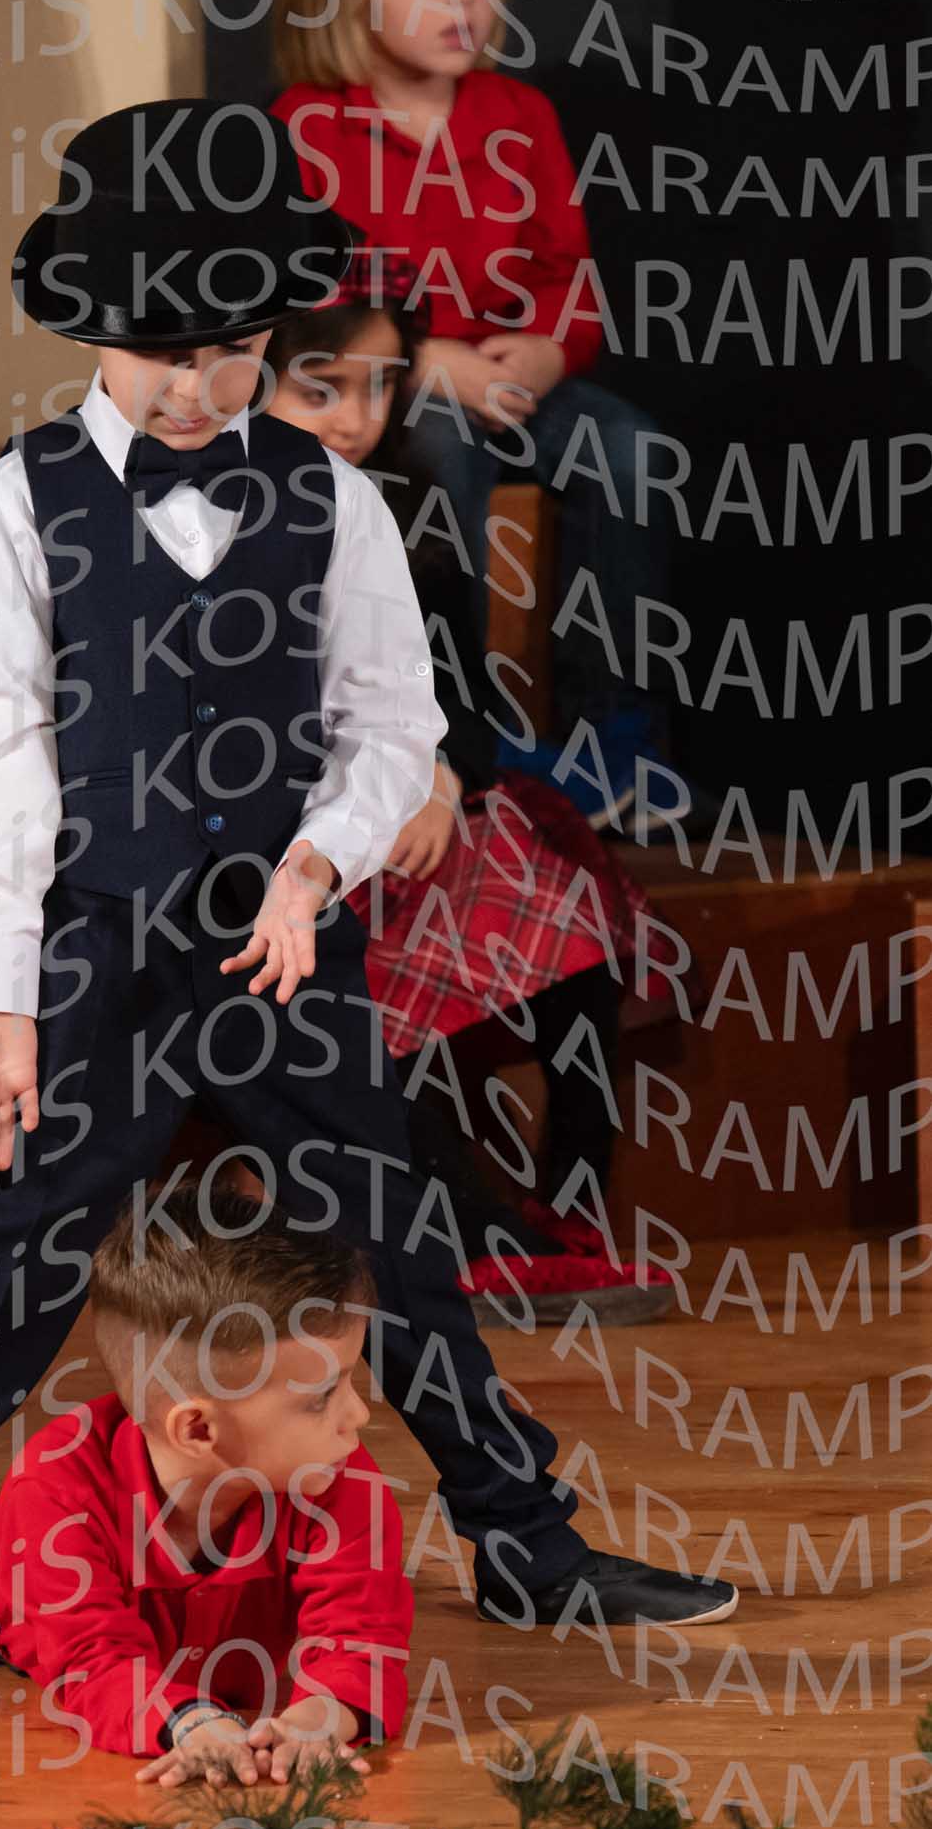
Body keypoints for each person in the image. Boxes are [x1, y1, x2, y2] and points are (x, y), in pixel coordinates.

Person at [0, 100, 736, 1698]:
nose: (197, 389)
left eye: (233, 353)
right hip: (102, 956)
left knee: (399, 1248)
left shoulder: (334, 501)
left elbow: (389, 726)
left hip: (286, 957)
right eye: (163, 355)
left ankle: (526, 1547)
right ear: (93, 329)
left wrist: (316, 861)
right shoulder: (16, 503)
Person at [264, 280, 673, 1322]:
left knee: (566, 913)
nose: (356, 418)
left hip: (417, 807)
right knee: (356, 970)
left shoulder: (408, 508)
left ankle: (569, 1202)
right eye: (322, 389)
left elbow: (462, 699)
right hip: (294, 839)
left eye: (380, 387)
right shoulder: (218, 523)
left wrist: (443, 777)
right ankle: (468, 1232)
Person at [269, 0, 679, 835]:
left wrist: (550, 349)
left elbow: (566, 274)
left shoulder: (519, 114)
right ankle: (462, 736)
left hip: (517, 380)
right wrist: (420, 361)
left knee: (631, 448)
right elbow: (310, 299)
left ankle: (618, 735)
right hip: (400, 391)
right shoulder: (307, 127)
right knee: (433, 458)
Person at [0, 1183, 413, 1780]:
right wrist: (187, 1721)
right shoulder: (55, 1491)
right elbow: (91, 1660)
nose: (358, 1415)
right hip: (13, 1592)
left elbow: (362, 1636)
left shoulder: (338, 1476)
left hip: (125, 1599)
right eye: (321, 1397)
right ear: (198, 1429)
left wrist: (323, 1717)